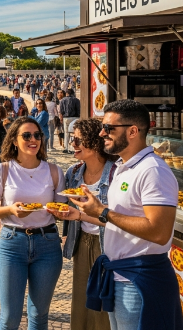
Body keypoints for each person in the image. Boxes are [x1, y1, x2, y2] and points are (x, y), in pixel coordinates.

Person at [71, 100, 183, 330]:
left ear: (133, 131)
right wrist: (83, 214)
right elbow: (119, 220)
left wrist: (102, 211)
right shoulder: (124, 167)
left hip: (139, 280)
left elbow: (160, 232)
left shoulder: (152, 171)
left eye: (109, 128)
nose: (102, 133)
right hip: (121, 276)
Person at [0, 116, 64, 330]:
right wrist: (10, 209)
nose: (33, 139)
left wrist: (60, 211)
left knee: (39, 315)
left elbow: (62, 210)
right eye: (26, 135)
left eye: (37, 135)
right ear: (14, 140)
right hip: (12, 242)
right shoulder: (2, 170)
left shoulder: (54, 171)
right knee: (10, 318)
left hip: (47, 243)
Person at [46, 119, 116, 330]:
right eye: (72, 138)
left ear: (95, 142)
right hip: (81, 242)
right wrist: (60, 216)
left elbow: (119, 220)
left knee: (104, 301)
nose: (72, 143)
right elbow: (70, 210)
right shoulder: (74, 172)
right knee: (82, 299)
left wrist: (78, 216)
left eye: (78, 139)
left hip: (109, 245)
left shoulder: (116, 173)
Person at [59, 88, 81, 154]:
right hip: (75, 117)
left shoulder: (63, 100)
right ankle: (74, 147)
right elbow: (79, 110)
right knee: (74, 133)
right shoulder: (77, 100)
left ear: (66, 93)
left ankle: (66, 148)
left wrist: (61, 118)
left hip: (66, 118)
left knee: (66, 133)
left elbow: (61, 111)